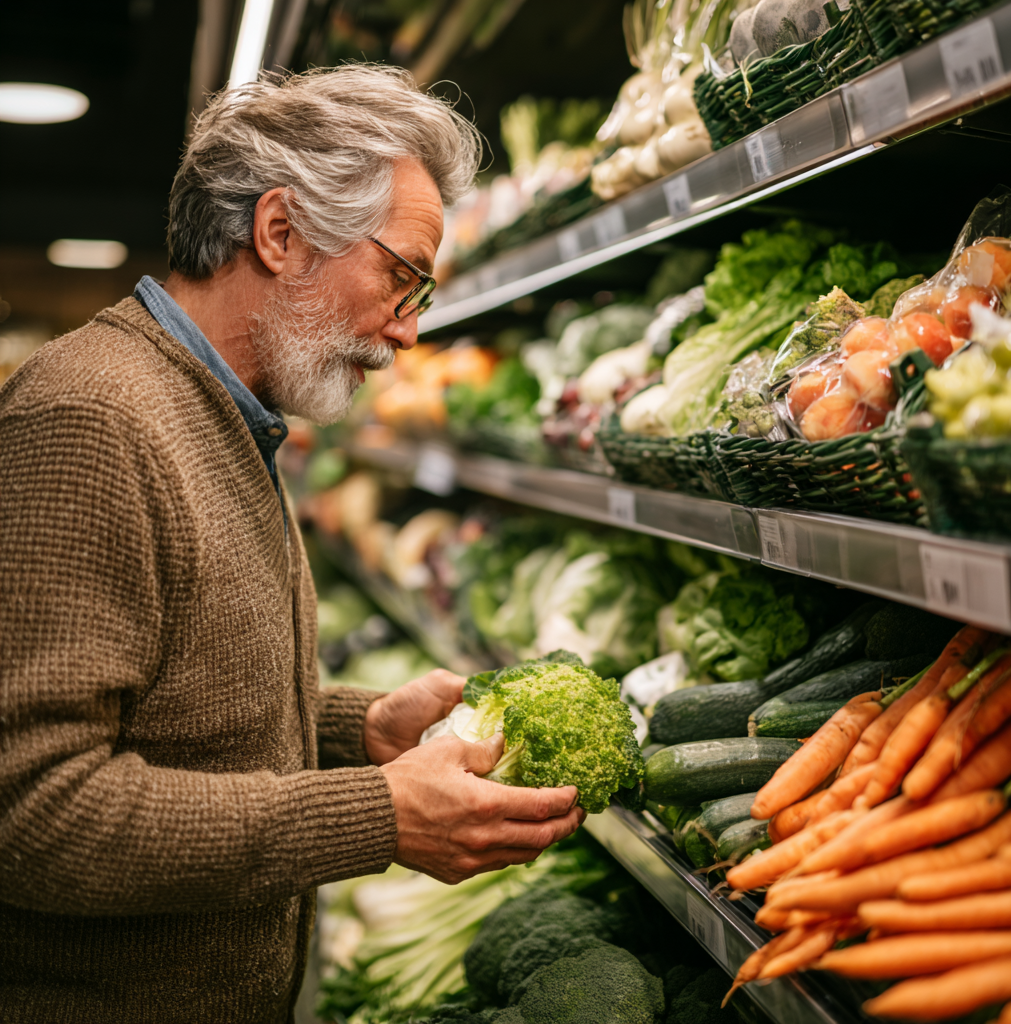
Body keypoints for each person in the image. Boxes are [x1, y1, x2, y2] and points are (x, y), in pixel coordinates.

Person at [0, 64, 584, 1024]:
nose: (408, 331)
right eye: (401, 275)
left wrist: (359, 729)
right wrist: (376, 815)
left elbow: (174, 706)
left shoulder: (223, 414)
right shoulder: (92, 423)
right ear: (280, 233)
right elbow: (31, 808)